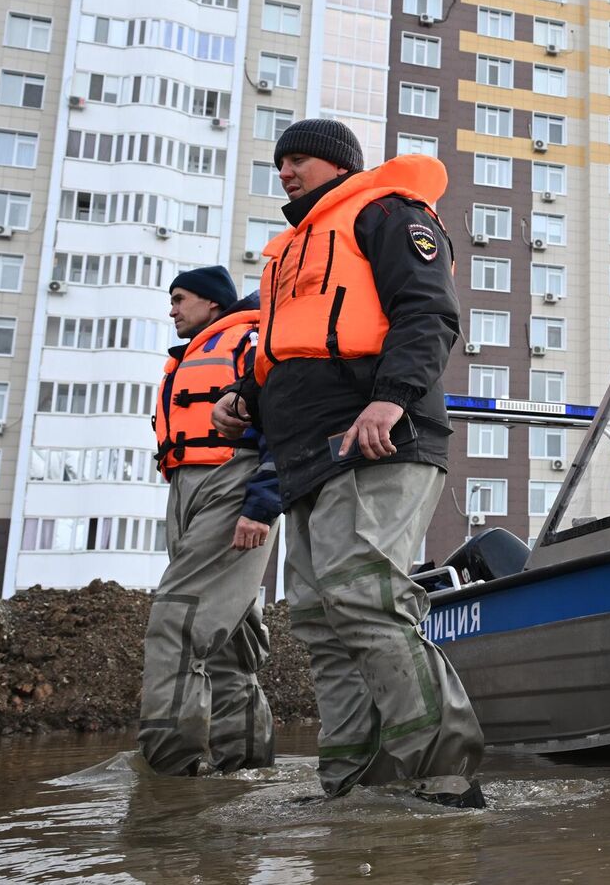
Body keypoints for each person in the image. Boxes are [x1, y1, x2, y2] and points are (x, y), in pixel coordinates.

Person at [213, 119, 484, 804]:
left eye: (298, 160)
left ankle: (441, 776)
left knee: (365, 597)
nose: (285, 172)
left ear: (337, 165)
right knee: (320, 618)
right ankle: (352, 783)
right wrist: (245, 396)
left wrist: (390, 399)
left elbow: (428, 312)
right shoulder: (289, 254)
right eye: (279, 163)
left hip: (379, 438)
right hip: (308, 455)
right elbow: (289, 346)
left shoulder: (387, 214)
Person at [137, 267, 280, 776]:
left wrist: (261, 503)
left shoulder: (248, 340)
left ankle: (169, 776)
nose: (172, 309)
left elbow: (281, 419)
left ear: (214, 303)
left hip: (230, 483)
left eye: (180, 298)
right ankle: (245, 769)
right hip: (188, 490)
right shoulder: (192, 355)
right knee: (226, 638)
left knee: (178, 622)